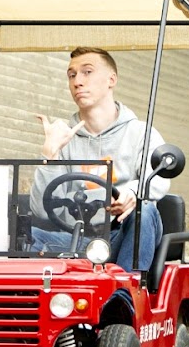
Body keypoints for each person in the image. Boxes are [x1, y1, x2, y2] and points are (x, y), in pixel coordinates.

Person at [28, 46, 167, 272]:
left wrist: (132, 193)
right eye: (72, 75)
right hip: (76, 240)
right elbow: (41, 211)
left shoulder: (141, 132)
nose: (77, 82)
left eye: (87, 72)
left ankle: (124, 295)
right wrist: (49, 154)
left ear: (111, 79)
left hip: (121, 235)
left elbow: (158, 177)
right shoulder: (64, 138)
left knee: (145, 209)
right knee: (19, 236)